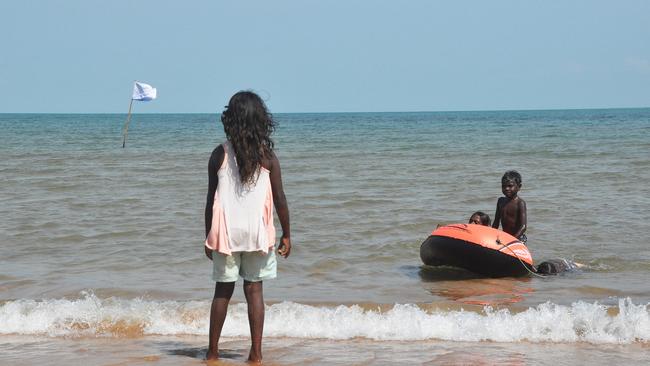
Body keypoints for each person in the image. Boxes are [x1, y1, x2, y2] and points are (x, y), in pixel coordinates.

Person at [204, 91, 291, 363]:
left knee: (223, 291)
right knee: (254, 291)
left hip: (226, 236)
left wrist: (209, 236)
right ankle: (256, 354)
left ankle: (213, 352)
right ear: (261, 121)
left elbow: (211, 200)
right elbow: (280, 200)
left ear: (230, 120)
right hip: (257, 236)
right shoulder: (268, 158)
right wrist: (287, 233)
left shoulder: (219, 154)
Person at [492, 170, 527, 244]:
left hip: (518, 237)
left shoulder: (520, 203)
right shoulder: (500, 201)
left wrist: (512, 240)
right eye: (503, 186)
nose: (506, 188)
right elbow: (496, 223)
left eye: (510, 186)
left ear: (519, 187)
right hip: (505, 236)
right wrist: (491, 235)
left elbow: (523, 227)